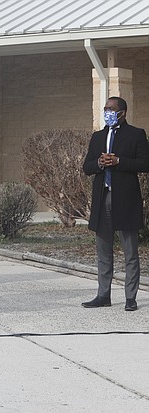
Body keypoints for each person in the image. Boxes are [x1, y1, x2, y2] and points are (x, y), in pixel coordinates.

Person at [81, 96, 149, 311]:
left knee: (130, 251)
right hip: (103, 198)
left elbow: (145, 163)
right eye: (105, 109)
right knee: (103, 251)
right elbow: (87, 167)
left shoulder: (136, 135)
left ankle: (130, 298)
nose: (107, 112)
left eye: (111, 109)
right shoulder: (98, 136)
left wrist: (119, 162)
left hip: (126, 199)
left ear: (123, 112)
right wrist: (99, 163)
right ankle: (103, 295)